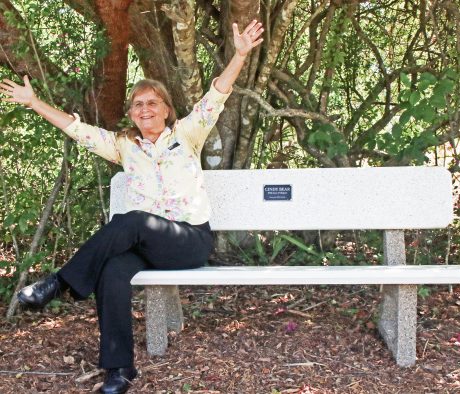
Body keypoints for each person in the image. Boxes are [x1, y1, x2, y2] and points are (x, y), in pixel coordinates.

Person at [0, 20, 263, 394]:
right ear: (132, 115)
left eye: (152, 103)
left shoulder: (187, 135)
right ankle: (119, 370)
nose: (145, 109)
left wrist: (239, 54)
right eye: (138, 104)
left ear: (167, 111)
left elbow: (216, 96)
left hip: (189, 240)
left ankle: (59, 283)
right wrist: (34, 102)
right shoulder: (125, 146)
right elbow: (78, 130)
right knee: (111, 271)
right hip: (143, 247)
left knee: (132, 219)